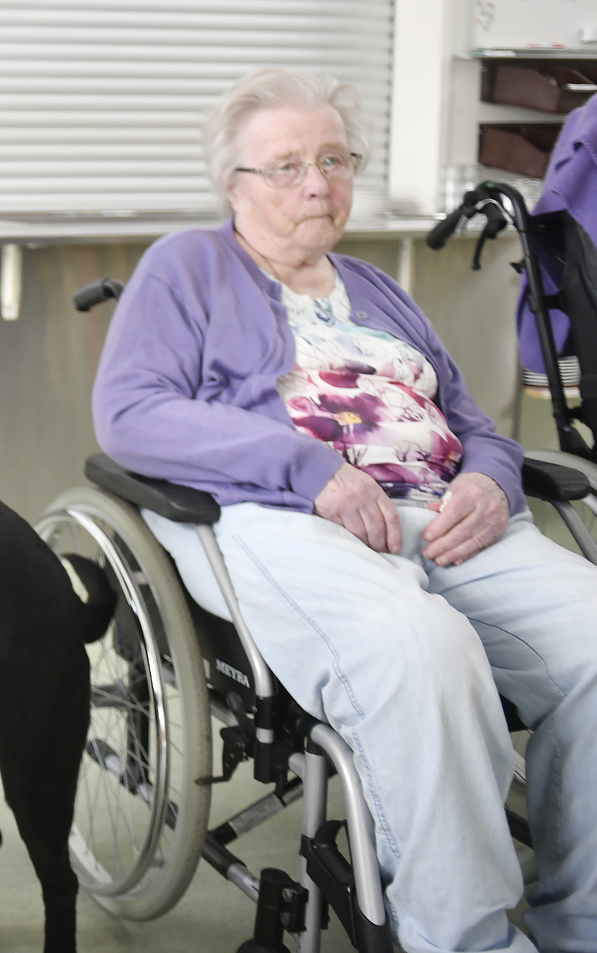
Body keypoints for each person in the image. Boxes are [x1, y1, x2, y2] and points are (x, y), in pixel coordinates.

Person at [93, 68, 597, 953]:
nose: (316, 182)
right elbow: (132, 413)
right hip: (293, 518)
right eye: (285, 165)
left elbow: (474, 421)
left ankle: (584, 925)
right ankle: (466, 939)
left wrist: (490, 478)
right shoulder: (188, 265)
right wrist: (310, 467)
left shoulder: (377, 285)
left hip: (450, 514)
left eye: (333, 158)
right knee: (420, 651)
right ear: (233, 184)